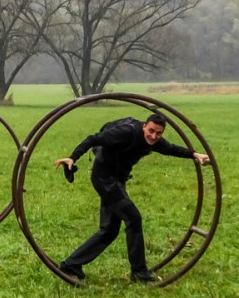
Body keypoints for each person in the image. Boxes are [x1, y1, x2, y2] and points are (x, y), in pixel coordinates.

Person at [53, 112, 211, 283]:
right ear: (144, 126)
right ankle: (139, 271)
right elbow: (93, 139)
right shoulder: (126, 132)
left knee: (109, 230)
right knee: (133, 218)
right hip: (104, 177)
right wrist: (72, 157)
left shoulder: (154, 141)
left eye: (158, 133)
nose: (153, 136)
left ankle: (71, 264)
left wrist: (195, 155)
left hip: (117, 180)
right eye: (151, 130)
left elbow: (171, 149)